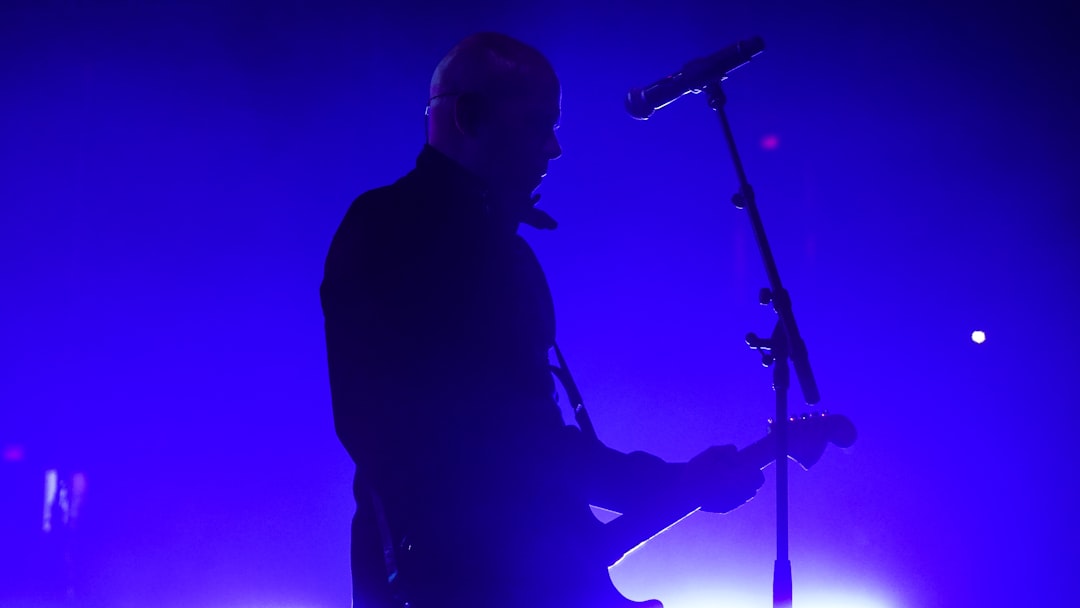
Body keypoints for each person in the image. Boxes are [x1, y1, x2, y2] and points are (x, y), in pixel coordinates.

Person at [320, 32, 766, 608]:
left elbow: (529, 441)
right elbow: (487, 441)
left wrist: (668, 488)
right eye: (536, 124)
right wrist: (665, 484)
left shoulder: (504, 253)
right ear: (470, 117)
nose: (553, 149)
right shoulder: (393, 230)